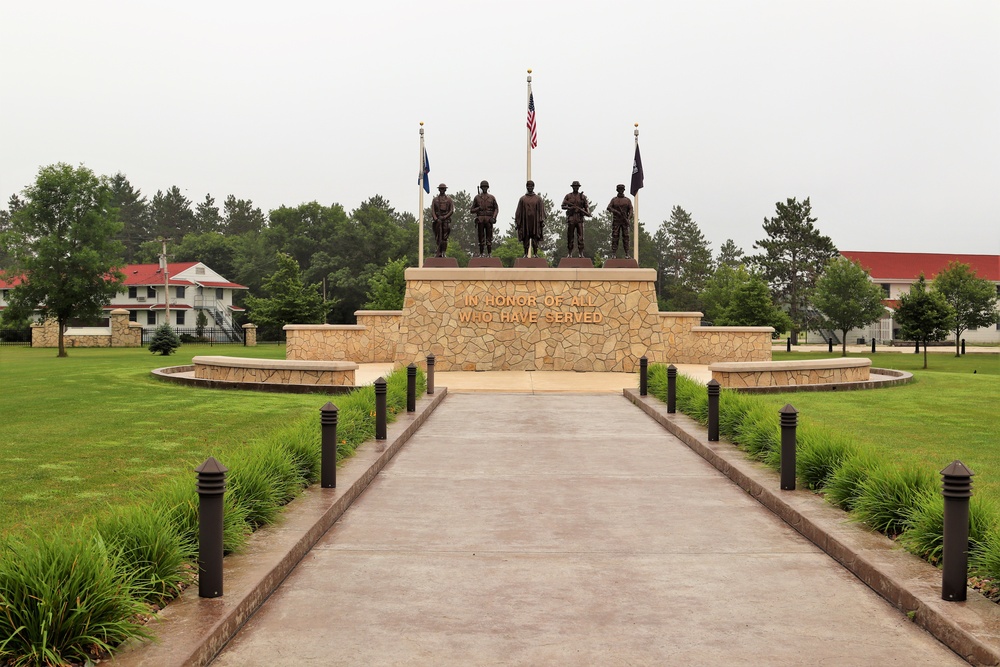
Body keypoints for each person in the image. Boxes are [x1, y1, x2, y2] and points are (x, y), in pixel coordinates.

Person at [515, 180, 545, 257]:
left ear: (533, 187)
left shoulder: (538, 199)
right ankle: (525, 253)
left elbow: (541, 211)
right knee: (526, 238)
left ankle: (535, 253)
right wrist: (517, 222)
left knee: (535, 238)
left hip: (535, 222)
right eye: (528, 186)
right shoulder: (522, 199)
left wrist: (542, 221)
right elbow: (519, 211)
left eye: (531, 186)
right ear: (526, 187)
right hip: (526, 222)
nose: (530, 187)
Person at [561, 180, 591, 258]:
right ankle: (570, 253)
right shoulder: (568, 196)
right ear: (572, 187)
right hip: (571, 217)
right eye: (574, 187)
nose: (576, 188)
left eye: (577, 187)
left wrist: (587, 212)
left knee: (581, 236)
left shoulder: (582, 197)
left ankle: (581, 253)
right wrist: (570, 207)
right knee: (570, 236)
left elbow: (586, 206)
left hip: (579, 218)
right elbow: (563, 206)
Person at [470, 180, 499, 257]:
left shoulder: (492, 197)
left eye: (486, 187)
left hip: (489, 219)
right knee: (481, 237)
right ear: (481, 188)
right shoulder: (477, 198)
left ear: (488, 187)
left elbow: (496, 208)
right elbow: (471, 210)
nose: (484, 188)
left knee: (489, 237)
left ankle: (489, 253)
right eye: (483, 187)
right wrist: (478, 208)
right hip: (480, 219)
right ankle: (481, 253)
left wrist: (494, 217)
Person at [606, 184, 633, 258]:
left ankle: (627, 253)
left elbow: (631, 210)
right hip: (616, 221)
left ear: (624, 190)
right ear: (617, 190)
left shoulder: (627, 200)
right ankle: (614, 253)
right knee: (615, 236)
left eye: (622, 189)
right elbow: (609, 207)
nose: (621, 191)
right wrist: (616, 212)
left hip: (624, 221)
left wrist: (628, 218)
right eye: (619, 189)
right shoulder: (614, 200)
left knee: (626, 237)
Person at [431, 183, 454, 257]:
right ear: (439, 189)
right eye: (441, 189)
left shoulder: (449, 200)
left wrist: (444, 217)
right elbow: (433, 211)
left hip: (446, 221)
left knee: (445, 237)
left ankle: (443, 252)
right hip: (437, 221)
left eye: (443, 189)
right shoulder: (435, 200)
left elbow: (451, 211)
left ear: (445, 189)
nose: (442, 190)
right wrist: (436, 219)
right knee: (438, 237)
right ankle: (438, 251)